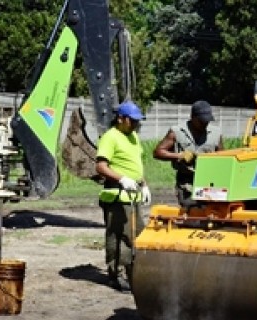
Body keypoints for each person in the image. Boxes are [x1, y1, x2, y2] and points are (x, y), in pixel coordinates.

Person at [94, 100, 150, 292]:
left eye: (137, 121)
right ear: (120, 118)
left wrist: (144, 185)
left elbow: (136, 164)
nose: (135, 124)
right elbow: (101, 166)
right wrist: (122, 179)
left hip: (133, 196)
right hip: (117, 195)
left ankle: (131, 272)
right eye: (132, 120)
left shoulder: (133, 136)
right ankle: (115, 274)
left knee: (136, 234)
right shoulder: (111, 137)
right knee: (119, 236)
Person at [152, 100, 223, 207]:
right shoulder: (177, 131)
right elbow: (158, 152)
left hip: (209, 182)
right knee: (191, 213)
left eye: (207, 121)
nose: (205, 124)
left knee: (210, 214)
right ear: (192, 117)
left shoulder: (216, 133)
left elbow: (223, 158)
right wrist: (179, 155)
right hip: (187, 183)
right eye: (201, 121)